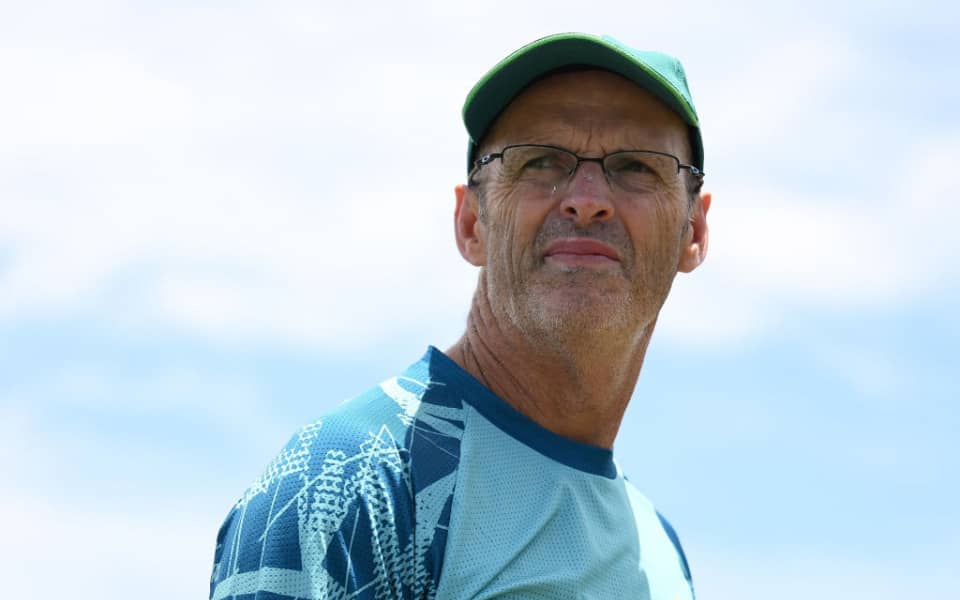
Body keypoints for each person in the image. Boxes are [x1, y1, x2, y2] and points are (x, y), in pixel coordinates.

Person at [209, 32, 710, 600]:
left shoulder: (661, 552)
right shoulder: (353, 479)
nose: (587, 198)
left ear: (693, 230)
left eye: (637, 166)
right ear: (472, 223)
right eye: (540, 161)